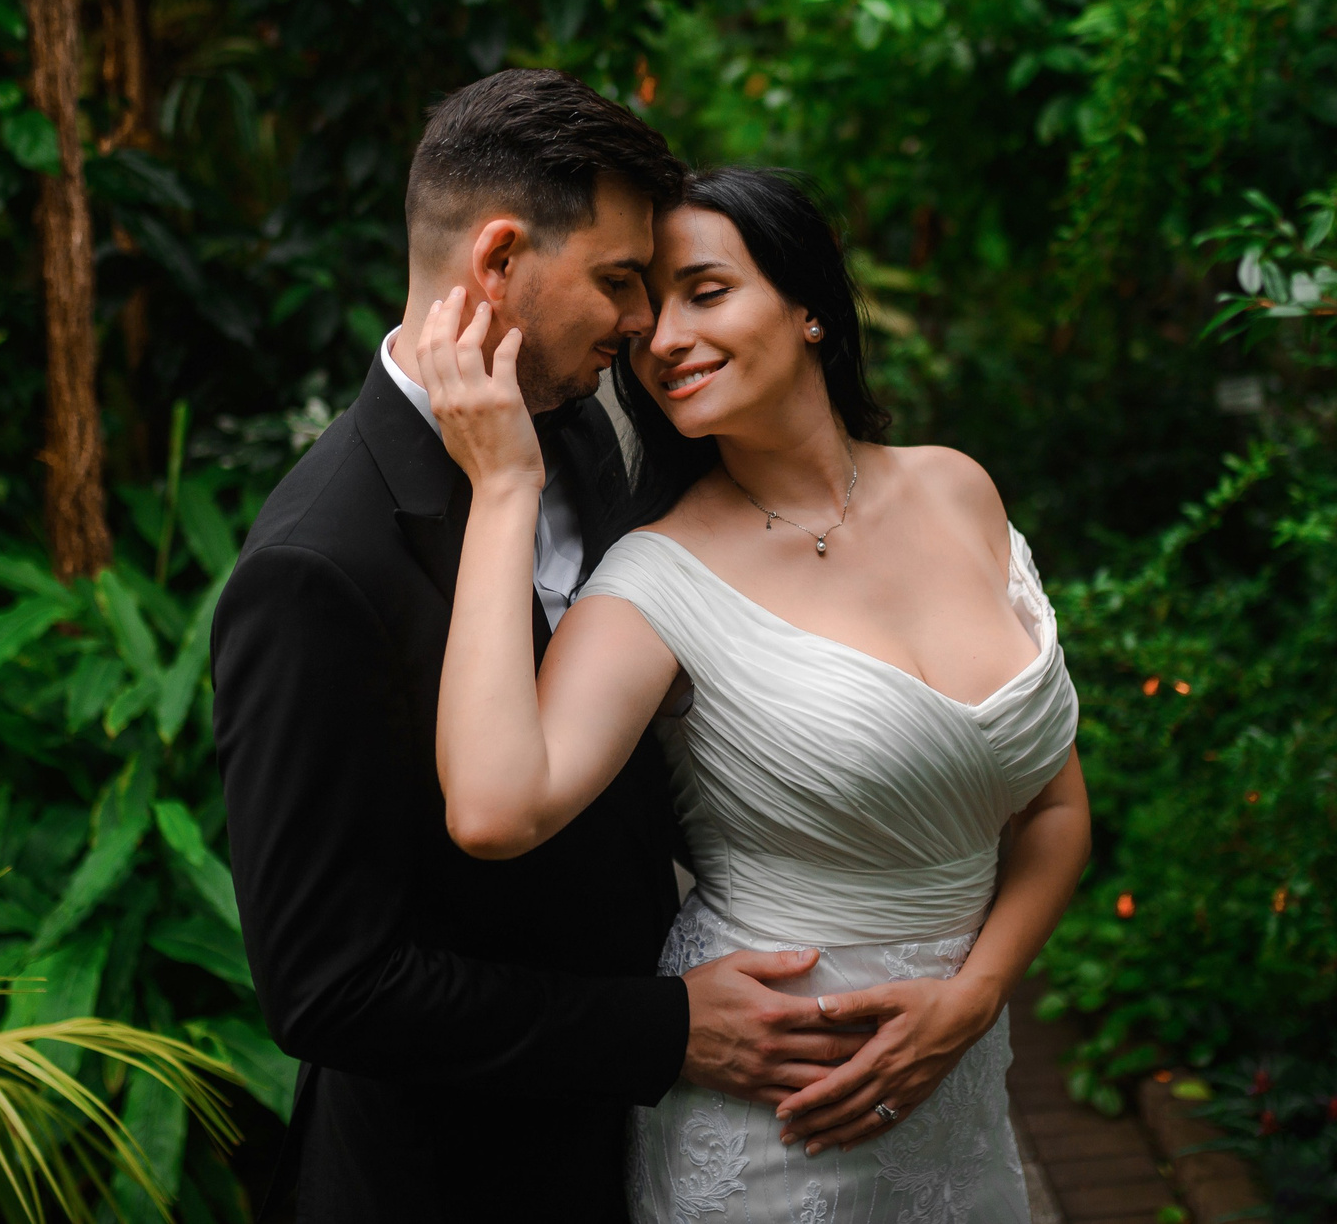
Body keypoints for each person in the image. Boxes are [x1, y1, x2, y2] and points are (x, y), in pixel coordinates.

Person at [212, 76, 868, 1222]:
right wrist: (661, 1029)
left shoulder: (584, 433)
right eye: (619, 279)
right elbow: (328, 985)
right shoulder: (315, 565)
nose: (641, 323)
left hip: (655, 1150)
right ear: (499, 258)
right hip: (449, 1176)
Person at [415, 166, 1089, 1221]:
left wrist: (973, 995)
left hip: (957, 1085)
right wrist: (506, 487)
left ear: (809, 304)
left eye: (706, 290)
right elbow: (495, 808)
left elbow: (1053, 810)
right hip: (779, 1119)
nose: (662, 336)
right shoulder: (657, 577)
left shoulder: (958, 488)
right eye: (646, 310)